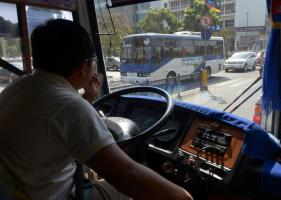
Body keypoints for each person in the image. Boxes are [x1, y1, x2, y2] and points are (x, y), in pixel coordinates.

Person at [0, 19, 193, 200]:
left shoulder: (21, 86)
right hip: (55, 195)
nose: (94, 69)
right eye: (93, 62)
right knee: (122, 193)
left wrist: (88, 97)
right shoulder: (70, 106)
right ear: (84, 66)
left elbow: (56, 123)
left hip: (19, 189)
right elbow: (126, 175)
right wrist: (182, 196)